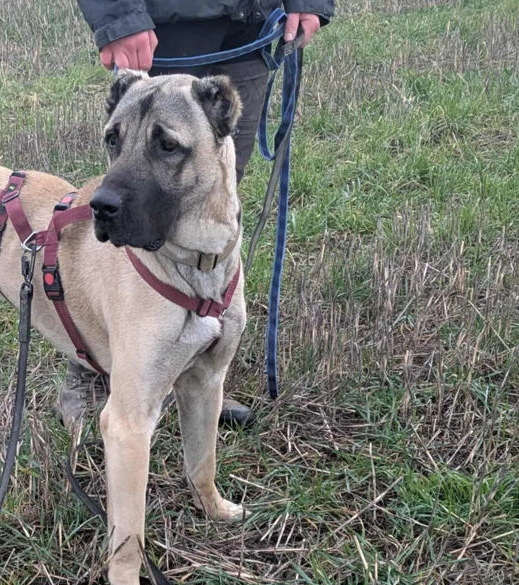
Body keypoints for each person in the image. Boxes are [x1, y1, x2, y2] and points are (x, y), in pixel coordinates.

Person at [57, 0, 334, 431]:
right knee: (141, 181)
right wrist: (120, 16)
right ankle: (98, 368)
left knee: (211, 185)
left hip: (253, 22)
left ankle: (197, 374)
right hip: (169, 17)